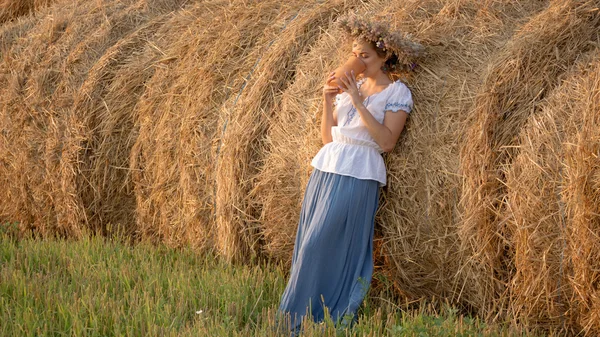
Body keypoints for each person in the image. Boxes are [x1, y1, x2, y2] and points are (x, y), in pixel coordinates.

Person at [275, 14, 422, 336]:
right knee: (307, 245)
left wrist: (358, 100)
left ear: (385, 57)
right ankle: (293, 320)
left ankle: (328, 312)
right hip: (327, 168)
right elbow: (329, 139)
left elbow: (386, 141)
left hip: (359, 172)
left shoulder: (396, 93)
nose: (357, 60)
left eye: (365, 55)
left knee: (321, 245)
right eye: (355, 53)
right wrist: (329, 100)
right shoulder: (347, 87)